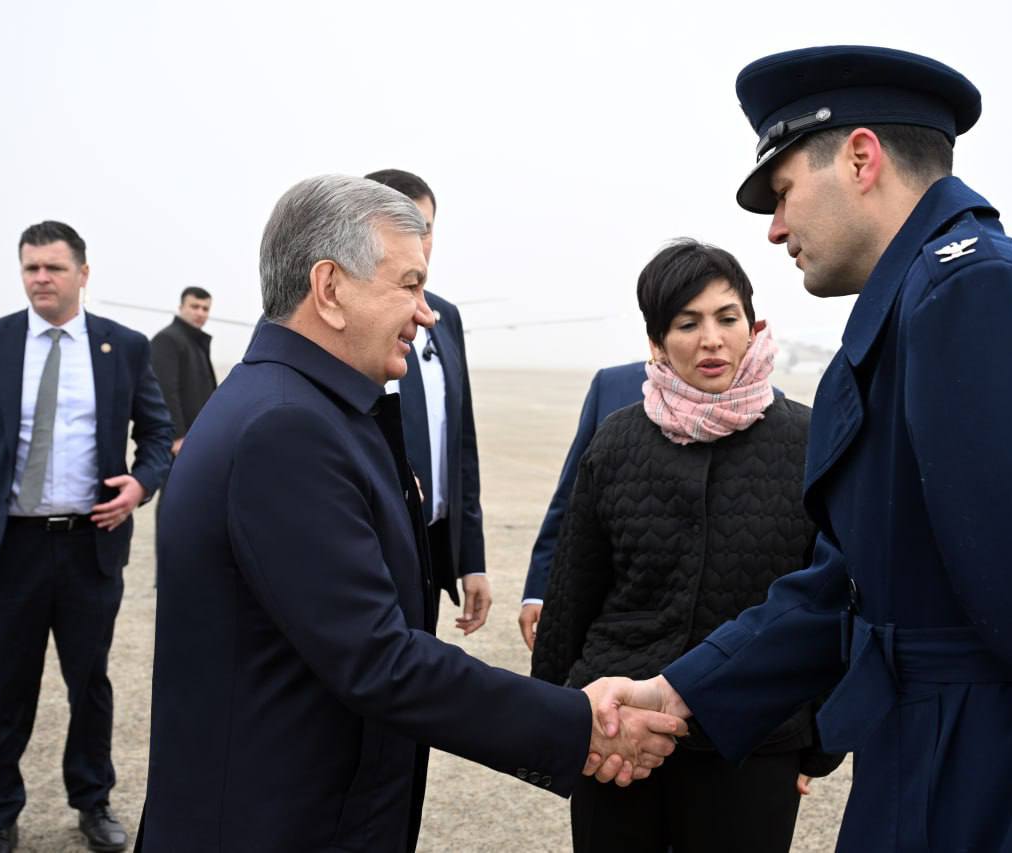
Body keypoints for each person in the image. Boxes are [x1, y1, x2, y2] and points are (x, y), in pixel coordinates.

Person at [610, 46, 1012, 851]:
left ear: (860, 158)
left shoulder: (977, 300)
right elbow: (849, 585)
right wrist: (681, 691)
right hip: (938, 777)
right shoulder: (922, 309)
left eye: (784, 190)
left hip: (1001, 797)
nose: (774, 227)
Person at [136, 175, 686, 853]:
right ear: (329, 289)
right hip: (273, 823)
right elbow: (378, 657)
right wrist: (578, 723)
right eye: (409, 284)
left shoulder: (306, 406)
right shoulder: (284, 429)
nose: (427, 313)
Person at [532, 239, 840, 852]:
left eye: (728, 318)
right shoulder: (617, 441)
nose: (712, 340)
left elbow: (833, 595)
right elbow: (573, 594)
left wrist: (820, 743)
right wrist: (558, 724)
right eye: (687, 323)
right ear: (656, 342)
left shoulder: (808, 440)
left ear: (753, 327)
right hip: (619, 730)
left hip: (755, 735)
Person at [0, 221, 174, 853]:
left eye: (53, 267)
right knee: (2, 690)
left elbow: (157, 433)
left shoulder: (122, 347)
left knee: (90, 684)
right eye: (31, 268)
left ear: (83, 273)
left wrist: (139, 485)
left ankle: (93, 802)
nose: (41, 279)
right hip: (7, 548)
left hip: (88, 545)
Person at [364, 169, 492, 635]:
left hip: (432, 549)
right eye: (400, 226)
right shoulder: (341, 320)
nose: (418, 241)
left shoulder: (445, 318)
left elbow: (462, 444)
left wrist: (471, 559)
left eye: (426, 227)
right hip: (369, 549)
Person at [517, 360, 645, 649]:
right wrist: (539, 589)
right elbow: (572, 494)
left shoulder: (754, 400)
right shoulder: (613, 384)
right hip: (615, 608)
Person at [148, 286, 217, 528]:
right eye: (194, 306)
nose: (200, 313)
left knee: (190, 502)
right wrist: (177, 436)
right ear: (181, 307)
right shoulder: (168, 339)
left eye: (205, 308)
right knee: (173, 500)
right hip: (179, 442)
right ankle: (168, 547)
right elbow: (165, 390)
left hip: (196, 440)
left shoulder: (195, 342)